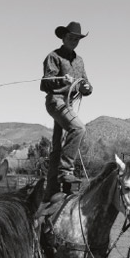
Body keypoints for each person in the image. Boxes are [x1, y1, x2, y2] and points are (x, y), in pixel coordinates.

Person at [40, 21, 93, 197]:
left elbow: (86, 83)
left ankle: (53, 190)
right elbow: (45, 83)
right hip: (56, 101)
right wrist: (63, 80)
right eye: (71, 38)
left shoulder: (80, 61)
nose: (74, 41)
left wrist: (86, 89)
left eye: (77, 39)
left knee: (57, 147)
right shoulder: (53, 57)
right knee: (78, 128)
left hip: (68, 104)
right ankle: (66, 172)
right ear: (63, 37)